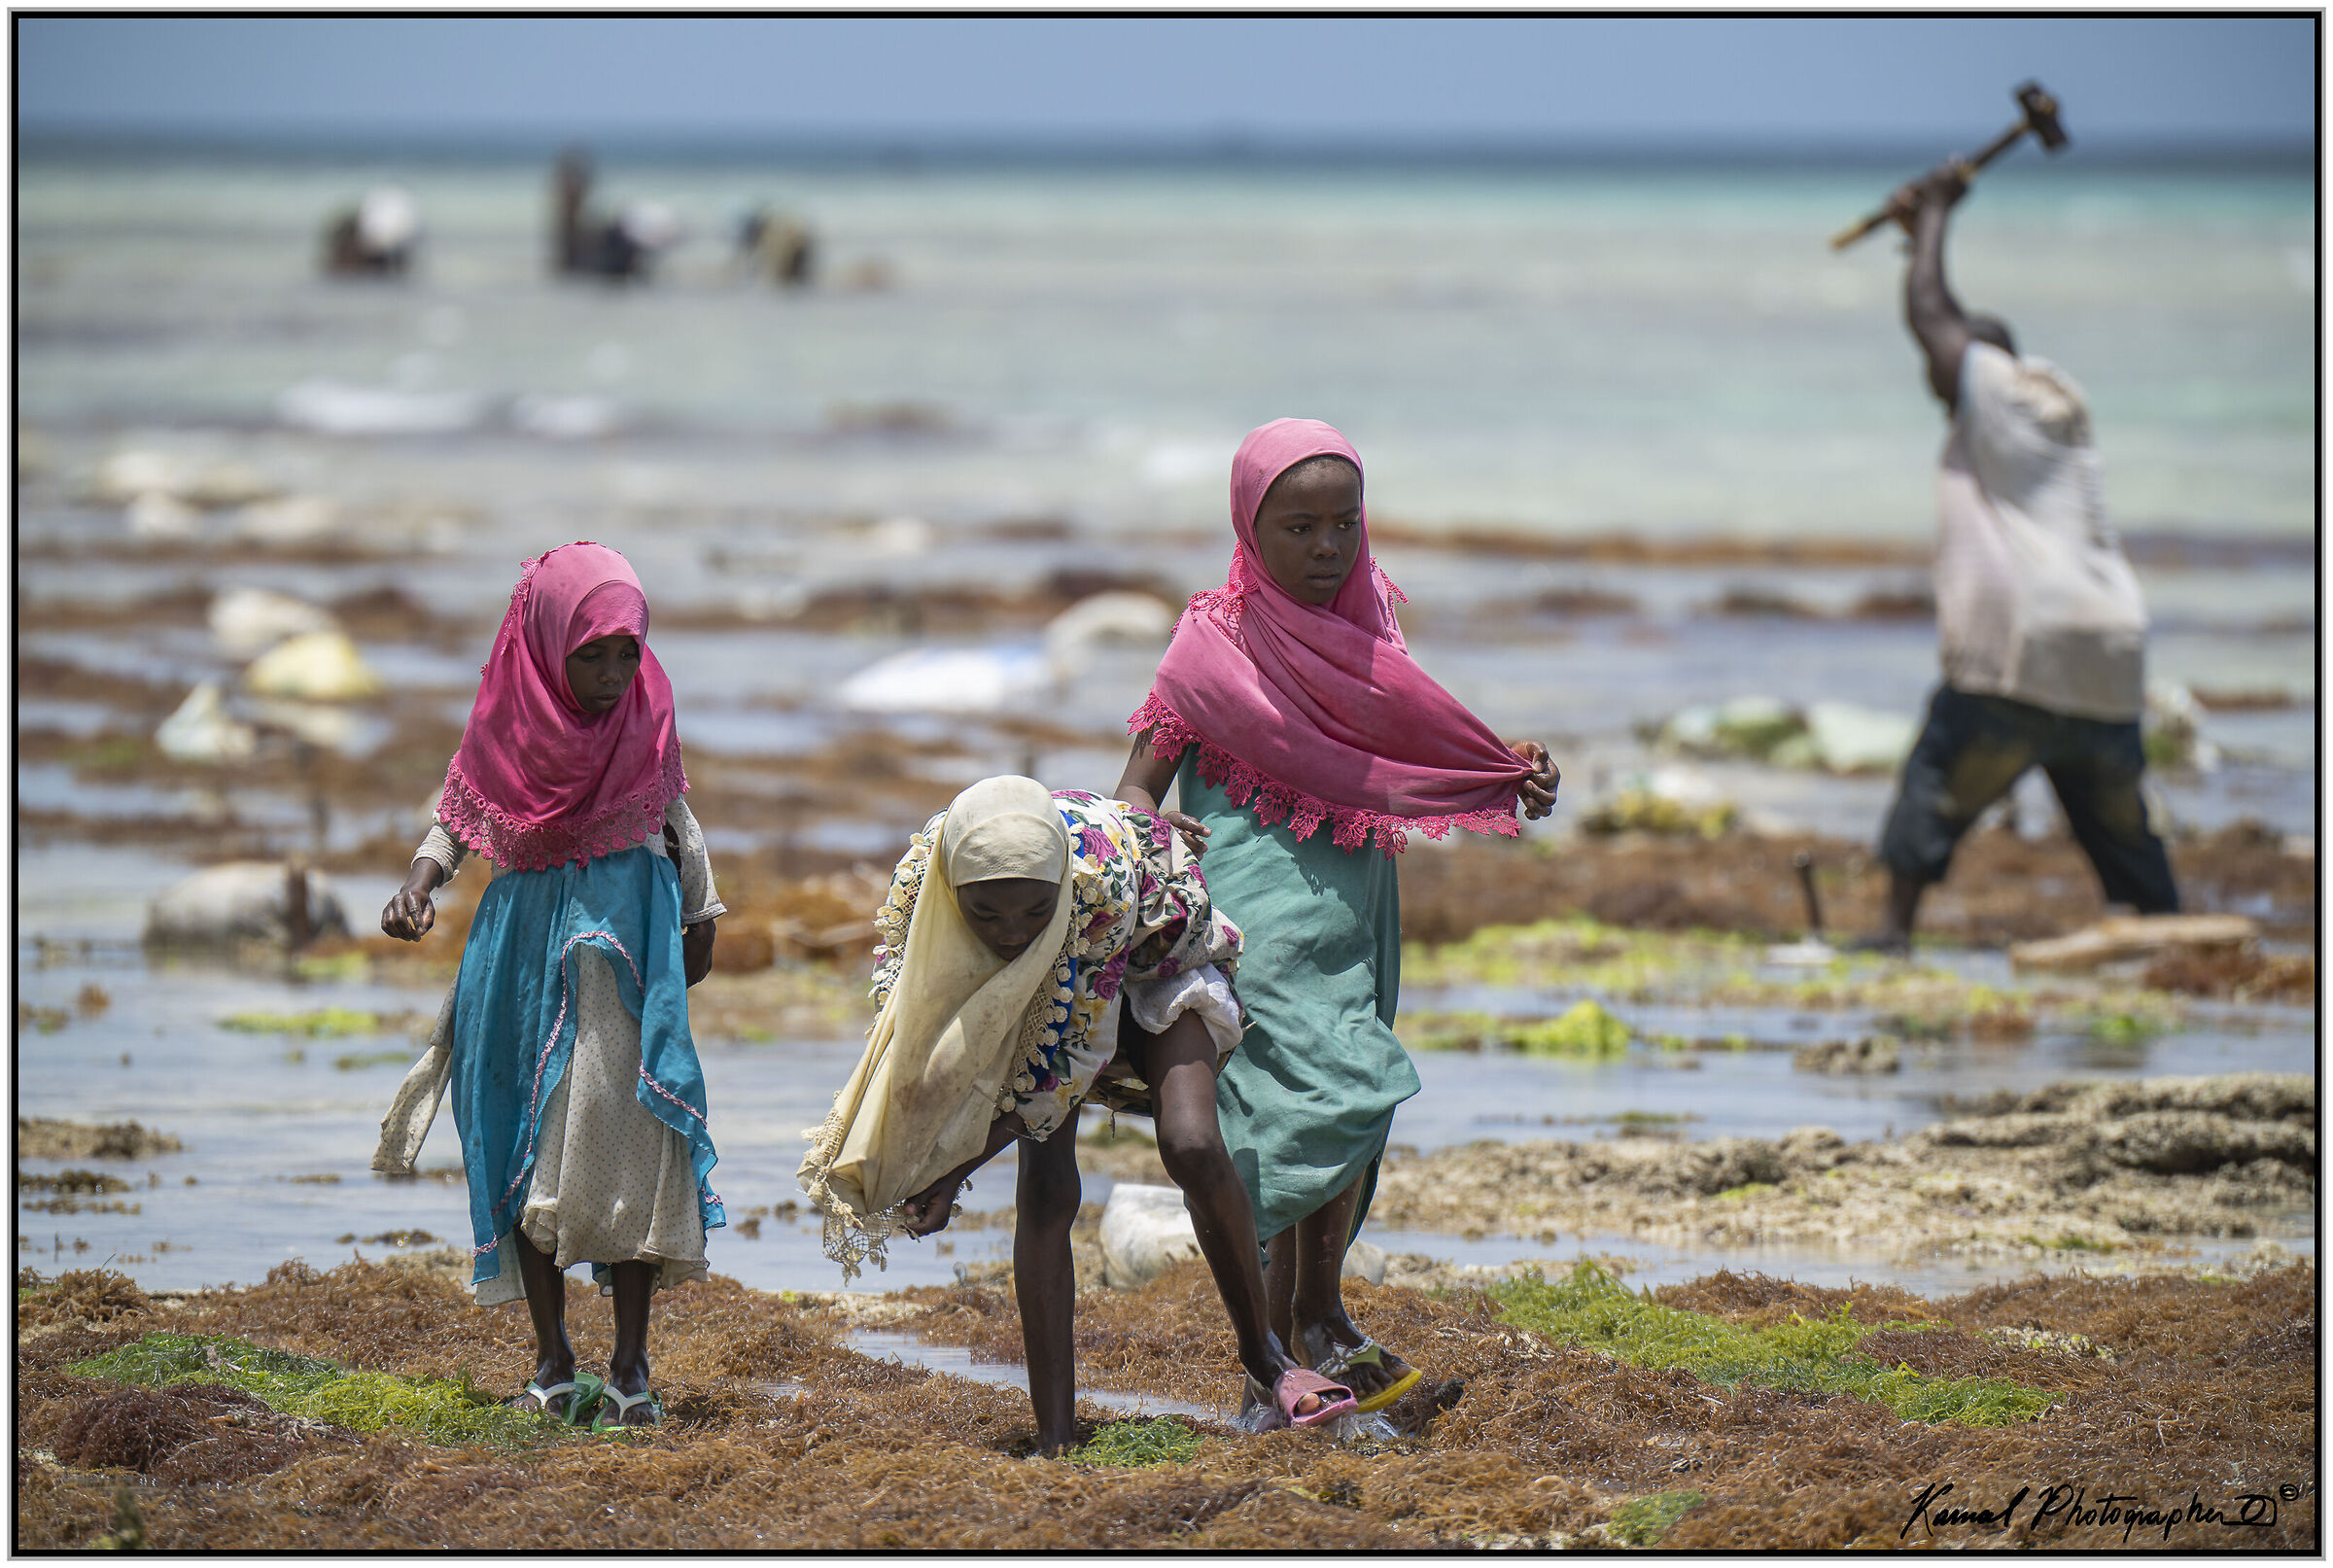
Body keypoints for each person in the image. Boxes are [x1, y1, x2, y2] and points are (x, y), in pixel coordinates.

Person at [1114, 418, 1558, 1420]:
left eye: (1343, 524)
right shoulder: (1208, 644)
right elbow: (1135, 784)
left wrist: (1504, 761)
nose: (1326, 548)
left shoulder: (1370, 630)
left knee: (1355, 1096)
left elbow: (1417, 741)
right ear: (1249, 527)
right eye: (1299, 526)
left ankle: (1320, 1313)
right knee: (1298, 1107)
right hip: (1253, 916)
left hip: (1355, 899)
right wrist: (1154, 823)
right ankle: (1270, 1366)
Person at [799, 776, 1358, 1451]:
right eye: (988, 916)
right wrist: (915, 1152)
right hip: (1055, 977)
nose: (1009, 933)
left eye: (1030, 912)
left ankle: (1264, 1354)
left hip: (1152, 954)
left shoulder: (1098, 884)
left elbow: (1072, 1059)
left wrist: (956, 1173)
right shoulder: (924, 887)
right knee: (1046, 1186)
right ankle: (1056, 1436)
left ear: (1056, 887)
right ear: (954, 897)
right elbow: (915, 1028)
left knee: (1192, 1144)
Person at [371, 541, 724, 1430]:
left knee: (631, 1147)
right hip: (521, 959)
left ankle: (633, 1364)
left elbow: (677, 818)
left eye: (626, 653)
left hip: (620, 963)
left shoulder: (647, 719)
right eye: (592, 653)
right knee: (523, 1148)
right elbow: (457, 820)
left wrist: (701, 915)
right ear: (545, 641)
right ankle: (553, 1358)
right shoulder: (507, 723)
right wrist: (418, 882)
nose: (612, 676)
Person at [1867, 165, 2177, 952]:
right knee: (2121, 831)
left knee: (1933, 787)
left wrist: (1934, 216)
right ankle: (2171, 940)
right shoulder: (2053, 426)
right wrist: (1916, 240)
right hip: (2107, 660)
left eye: (1949, 377)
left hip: (2023, 654)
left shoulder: (2003, 397)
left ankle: (1892, 937)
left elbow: (1933, 316)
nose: (1938, 390)